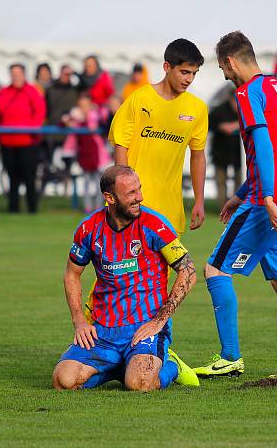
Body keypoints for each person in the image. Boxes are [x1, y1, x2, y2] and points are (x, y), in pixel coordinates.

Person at [194, 31, 277, 380]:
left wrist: (263, 197)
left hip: (268, 202)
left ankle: (230, 357)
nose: (224, 74)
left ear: (232, 61)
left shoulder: (248, 92)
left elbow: (263, 143)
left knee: (215, 270)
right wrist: (241, 192)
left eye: (222, 67)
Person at [52, 166, 199, 390]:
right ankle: (119, 366)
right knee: (63, 381)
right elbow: (72, 273)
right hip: (103, 329)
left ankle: (172, 366)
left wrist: (160, 321)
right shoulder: (89, 229)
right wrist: (79, 321)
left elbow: (188, 271)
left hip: (145, 326)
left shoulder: (155, 225)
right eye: (131, 193)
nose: (139, 197)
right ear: (109, 198)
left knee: (140, 384)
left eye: (139, 190)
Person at [110, 38, 208, 236]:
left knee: (164, 268)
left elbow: (198, 155)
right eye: (184, 72)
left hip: (170, 210)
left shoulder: (197, 108)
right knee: (127, 266)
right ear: (166, 67)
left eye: (194, 74)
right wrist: (124, 195)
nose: (189, 79)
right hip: (133, 205)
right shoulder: (139, 98)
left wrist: (199, 201)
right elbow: (121, 146)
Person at [0, 63, 47, 213]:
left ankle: (32, 208)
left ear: (23, 74)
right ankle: (13, 208)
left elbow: (39, 112)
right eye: (13, 74)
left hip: (28, 142)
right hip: (8, 142)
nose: (15, 76)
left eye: (18, 73)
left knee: (30, 177)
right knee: (12, 177)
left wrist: (32, 130)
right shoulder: (4, 92)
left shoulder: (32, 92)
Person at [61, 94, 108, 212]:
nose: (84, 108)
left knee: (98, 182)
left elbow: (105, 119)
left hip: (96, 154)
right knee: (86, 181)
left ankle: (98, 207)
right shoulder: (76, 118)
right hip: (84, 154)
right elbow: (64, 123)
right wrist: (67, 121)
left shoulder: (96, 116)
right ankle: (88, 207)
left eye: (86, 105)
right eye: (81, 106)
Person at [208, 88, 242, 205]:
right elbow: (209, 125)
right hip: (220, 152)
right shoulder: (219, 111)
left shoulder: (245, 111)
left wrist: (234, 125)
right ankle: (223, 208)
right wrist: (222, 126)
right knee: (221, 181)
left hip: (239, 153)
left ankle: (237, 206)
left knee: (240, 180)